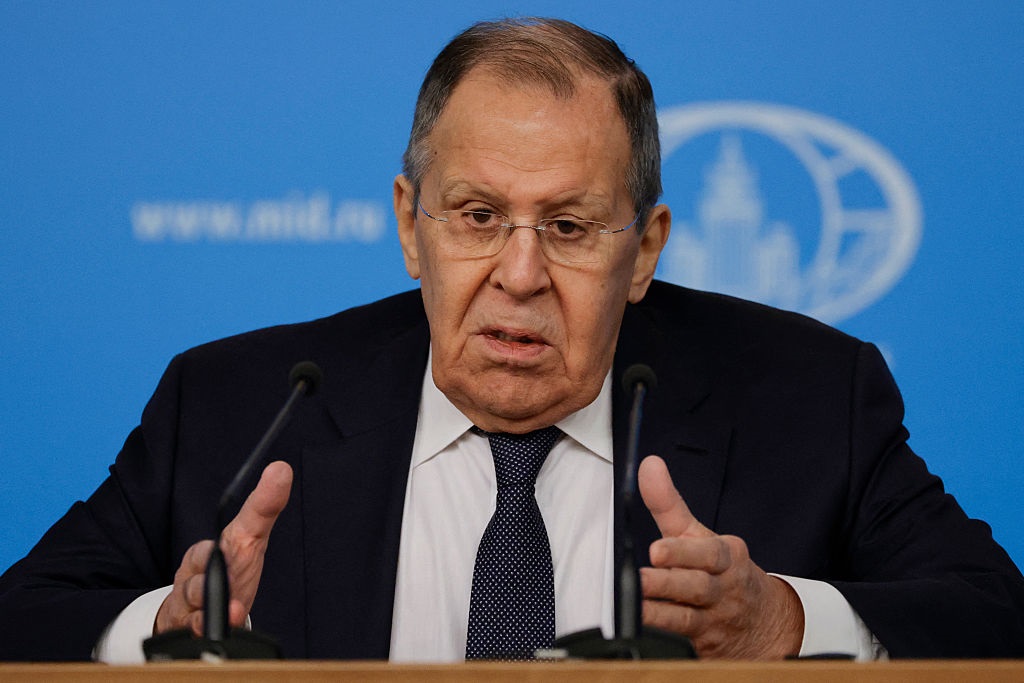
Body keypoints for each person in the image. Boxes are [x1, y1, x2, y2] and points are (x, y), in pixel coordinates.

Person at [1, 17, 1023, 663]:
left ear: (644, 248)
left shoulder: (807, 397)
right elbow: (25, 614)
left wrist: (783, 623)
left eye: (569, 226)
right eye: (478, 216)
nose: (520, 273)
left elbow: (994, 614)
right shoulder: (238, 404)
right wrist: (159, 627)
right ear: (410, 226)